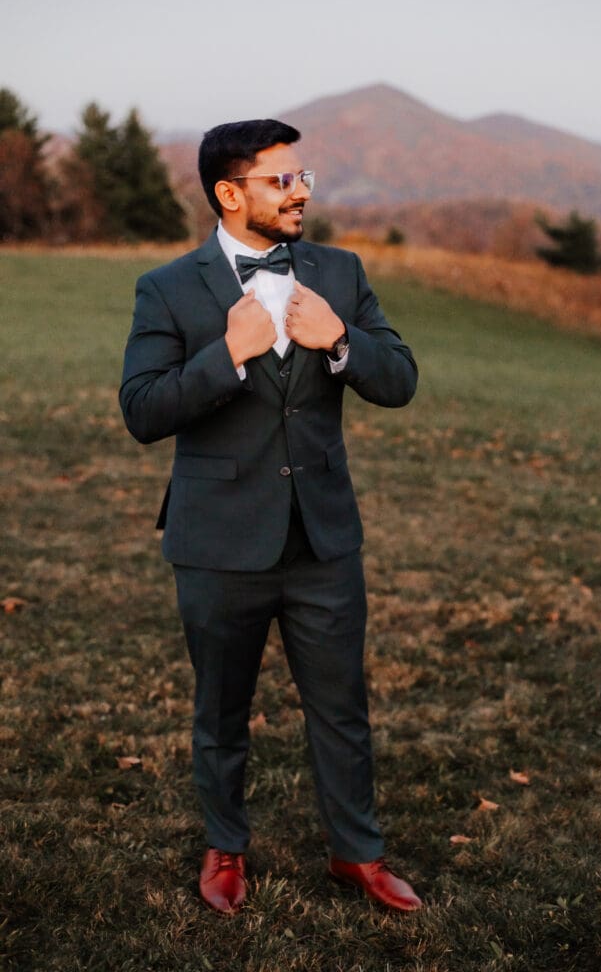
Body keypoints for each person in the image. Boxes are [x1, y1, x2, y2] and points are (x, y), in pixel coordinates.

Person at [119, 119, 421, 914]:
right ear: (228, 193)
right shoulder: (168, 288)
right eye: (280, 181)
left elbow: (399, 380)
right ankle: (225, 847)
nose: (299, 194)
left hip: (323, 540)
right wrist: (227, 354)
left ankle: (357, 855)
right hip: (217, 542)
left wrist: (341, 340)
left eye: (302, 178)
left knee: (342, 709)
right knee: (220, 710)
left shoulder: (340, 272)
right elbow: (142, 410)